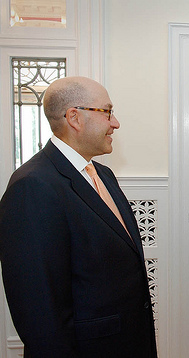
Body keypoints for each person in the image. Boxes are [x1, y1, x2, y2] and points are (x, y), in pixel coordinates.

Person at [0, 76, 157, 358]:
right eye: (107, 111)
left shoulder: (103, 175)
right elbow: (39, 310)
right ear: (74, 117)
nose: (115, 123)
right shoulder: (33, 185)